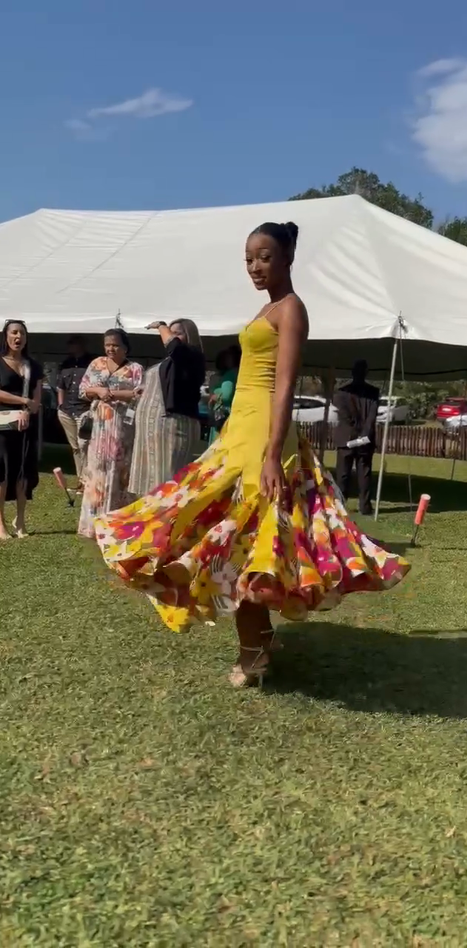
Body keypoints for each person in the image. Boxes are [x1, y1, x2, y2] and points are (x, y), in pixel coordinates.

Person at [94, 222, 409, 687]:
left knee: (245, 539)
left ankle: (254, 654)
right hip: (240, 431)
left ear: (287, 258)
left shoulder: (292, 311)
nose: (255, 267)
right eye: (248, 259)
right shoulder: (269, 308)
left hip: (264, 436)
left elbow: (284, 387)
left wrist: (268, 455)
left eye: (264, 257)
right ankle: (257, 644)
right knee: (230, 531)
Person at [78, 329, 143, 539]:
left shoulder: (135, 369)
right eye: (107, 344)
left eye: (115, 345)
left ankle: (116, 524)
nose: (110, 349)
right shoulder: (96, 364)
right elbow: (83, 390)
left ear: (125, 347)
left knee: (119, 474)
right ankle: (92, 525)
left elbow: (140, 395)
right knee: (97, 473)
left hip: (123, 428)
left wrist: (113, 394)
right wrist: (97, 391)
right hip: (99, 426)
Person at [128, 319, 205, 497]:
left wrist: (161, 326)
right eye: (171, 332)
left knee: (167, 477)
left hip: (171, 424)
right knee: (151, 478)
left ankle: (166, 519)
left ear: (189, 335)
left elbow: (174, 347)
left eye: (178, 333)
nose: (172, 335)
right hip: (152, 426)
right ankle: (150, 516)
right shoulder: (172, 361)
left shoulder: (191, 355)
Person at [0, 320, 43, 539]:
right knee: (3, 473)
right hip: (2, 425)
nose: (18, 337)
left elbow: (37, 396)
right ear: (6, 337)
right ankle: (0, 524)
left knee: (23, 473)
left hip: (26, 424)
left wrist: (29, 408)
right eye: (14, 333)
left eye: (22, 333)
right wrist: (22, 400)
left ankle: (20, 521)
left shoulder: (32, 365)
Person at [334, 360, 379, 516]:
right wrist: (364, 434)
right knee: (364, 473)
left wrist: (355, 433)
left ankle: (340, 505)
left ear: (352, 373)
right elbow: (372, 416)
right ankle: (365, 507)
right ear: (366, 373)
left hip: (346, 438)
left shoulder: (341, 392)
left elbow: (345, 417)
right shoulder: (374, 392)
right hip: (365, 440)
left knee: (343, 474)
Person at [57, 334, 93, 490]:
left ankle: (88, 480)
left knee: (85, 445)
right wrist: (60, 405)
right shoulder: (66, 363)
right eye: (69, 343)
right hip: (67, 411)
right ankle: (81, 480)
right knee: (75, 447)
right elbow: (60, 387)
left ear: (82, 344)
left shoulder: (93, 363)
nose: (70, 346)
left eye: (73, 343)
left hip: (84, 410)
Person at [208, 344, 241, 444]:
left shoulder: (230, 375)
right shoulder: (240, 373)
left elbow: (226, 396)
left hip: (224, 418)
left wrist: (214, 396)